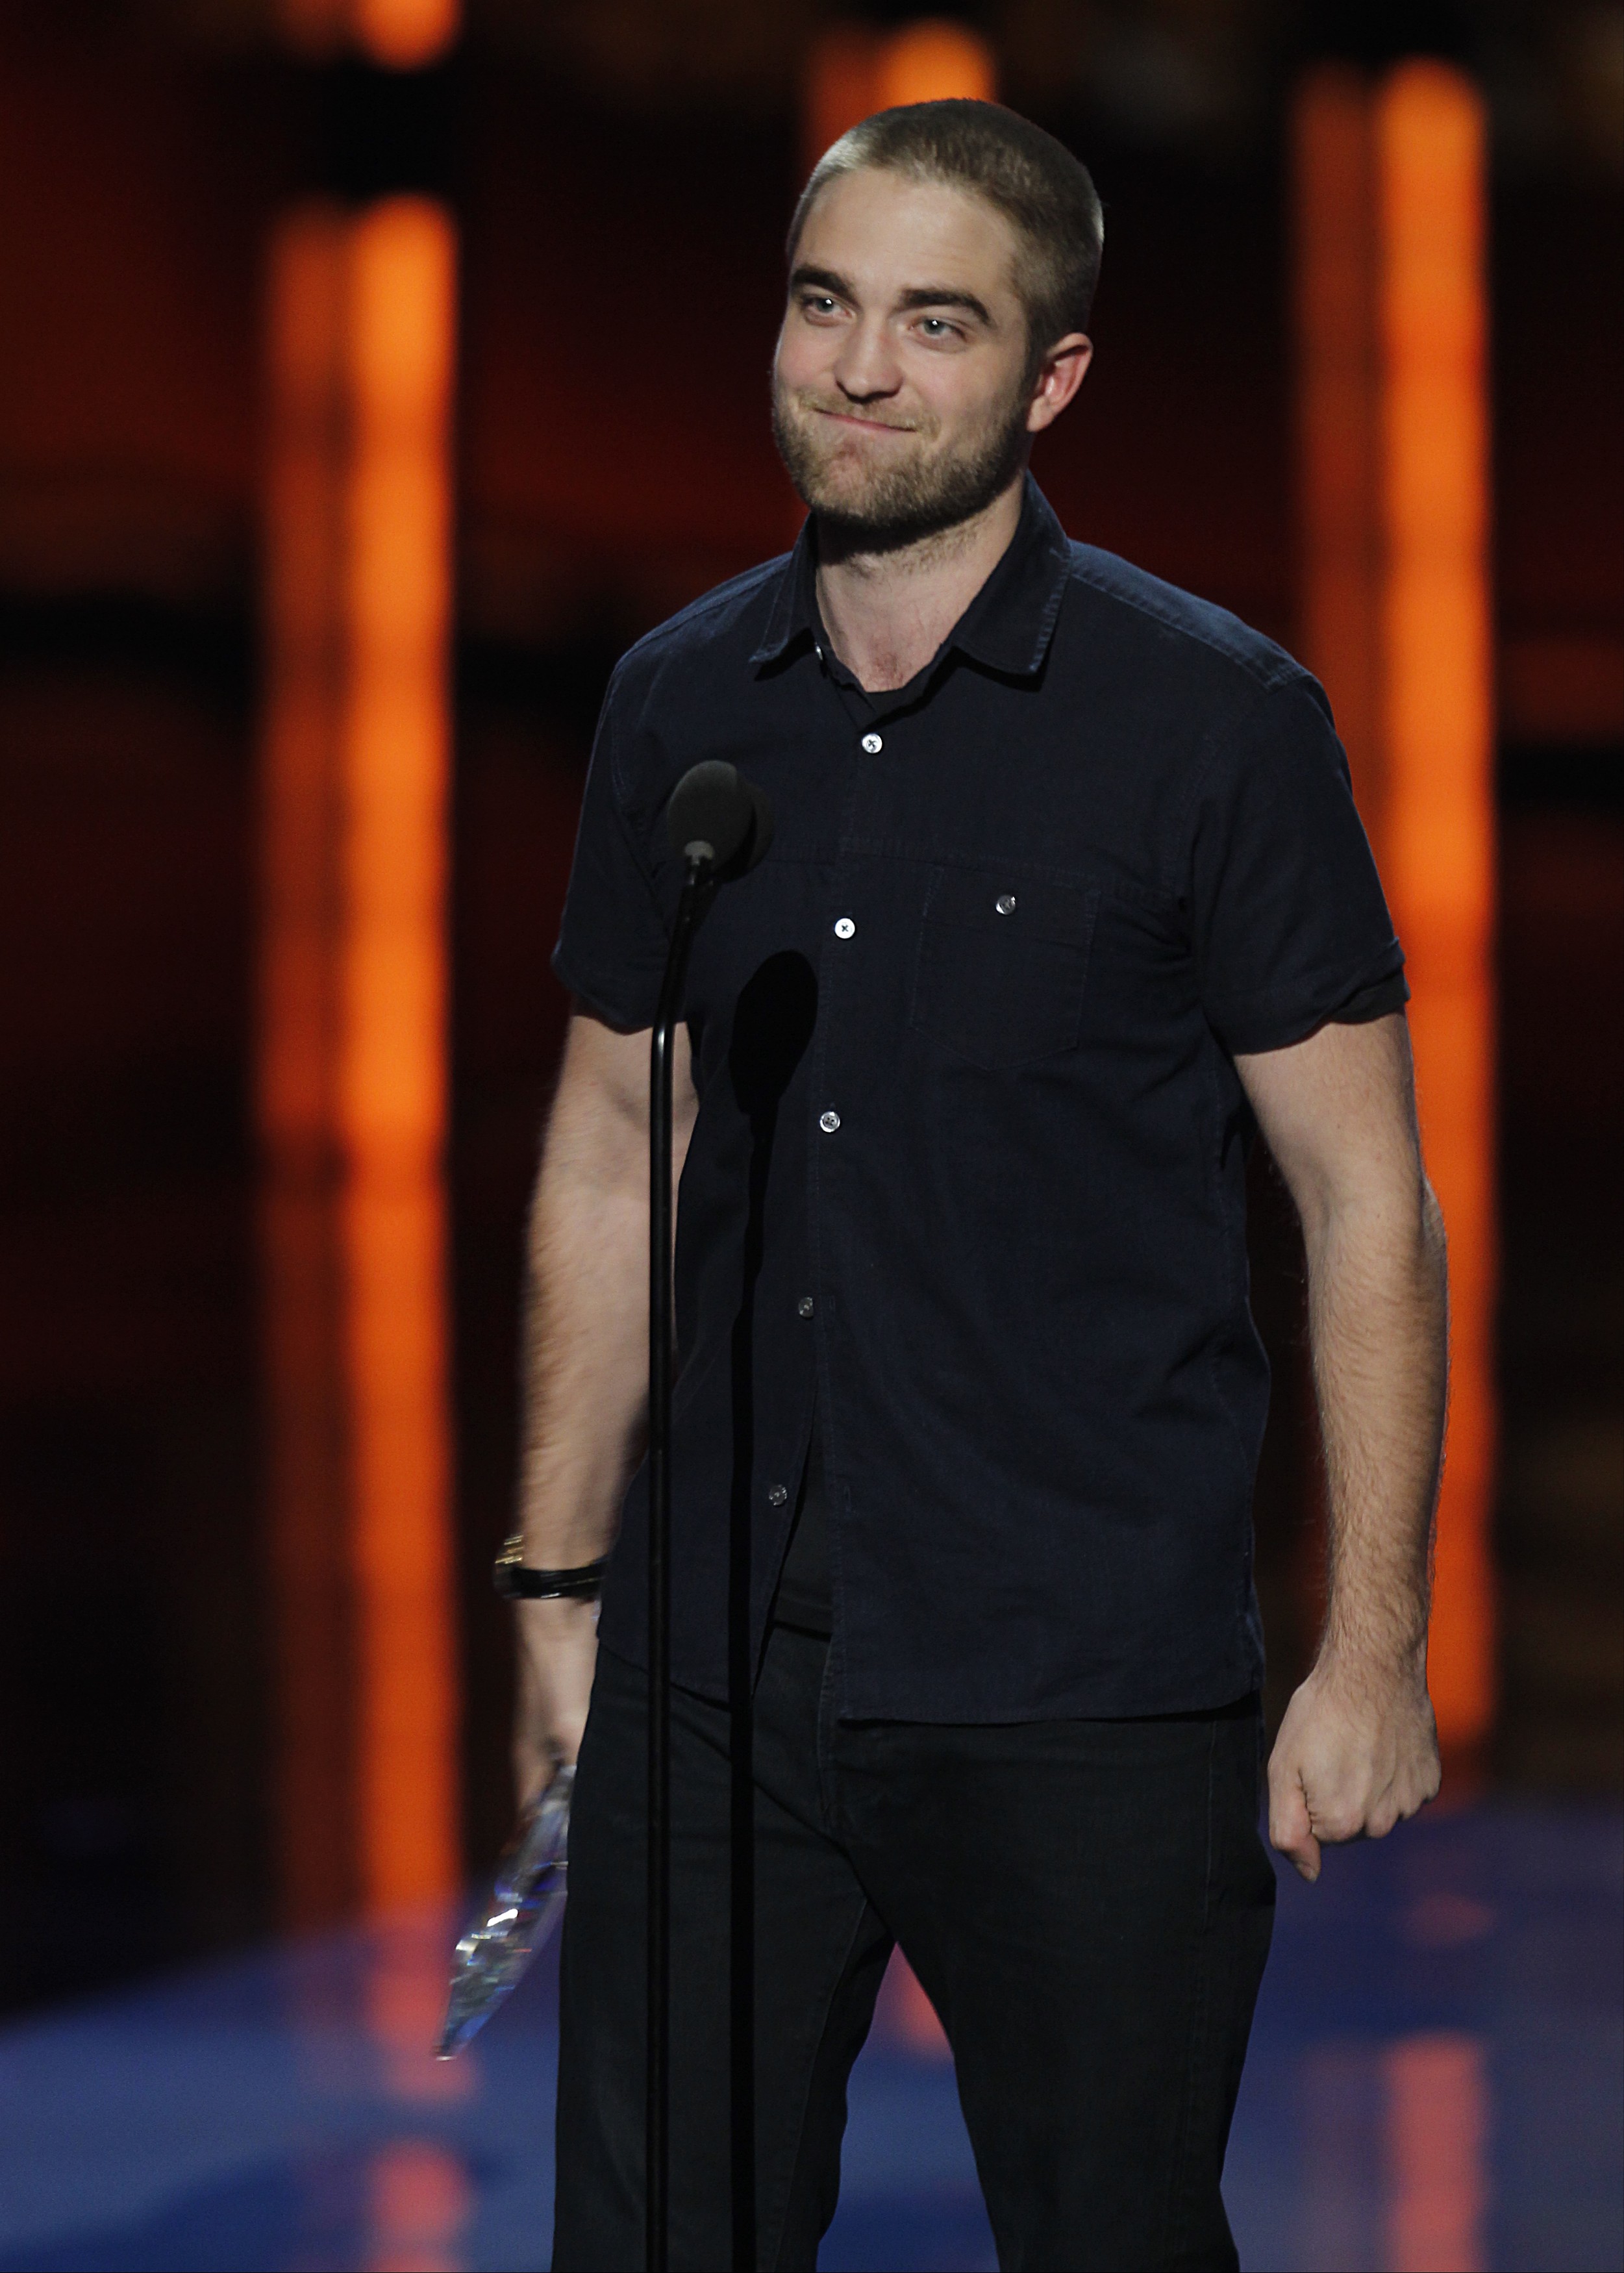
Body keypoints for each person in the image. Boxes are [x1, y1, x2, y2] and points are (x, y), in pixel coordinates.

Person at [510, 99, 1447, 2272]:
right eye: (825, 304)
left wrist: (1374, 1645)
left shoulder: (1213, 725)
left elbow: (1363, 1198)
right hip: (711, 1672)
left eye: (937, 324)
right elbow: (613, 1146)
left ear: (1052, 377)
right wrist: (560, 1585)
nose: (860, 370)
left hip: (1082, 1677)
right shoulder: (677, 702)